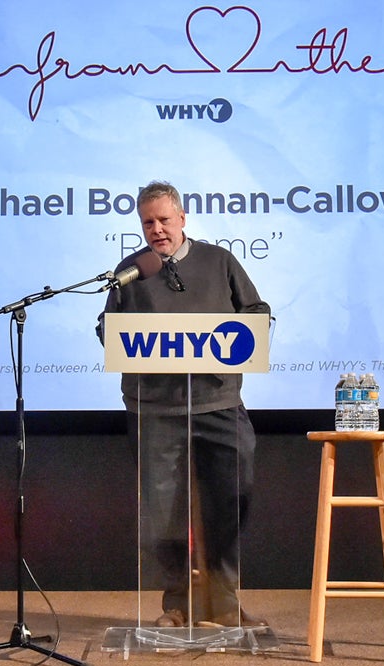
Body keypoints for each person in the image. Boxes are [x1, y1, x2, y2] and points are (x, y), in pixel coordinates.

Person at [96, 180, 271, 629]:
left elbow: (256, 312)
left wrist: (235, 334)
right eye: (147, 222)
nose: (156, 229)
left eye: (164, 220)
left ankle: (222, 600)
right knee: (162, 513)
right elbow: (108, 330)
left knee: (233, 495)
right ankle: (176, 603)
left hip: (218, 403)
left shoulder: (219, 260)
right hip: (154, 409)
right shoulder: (131, 271)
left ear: (183, 219)